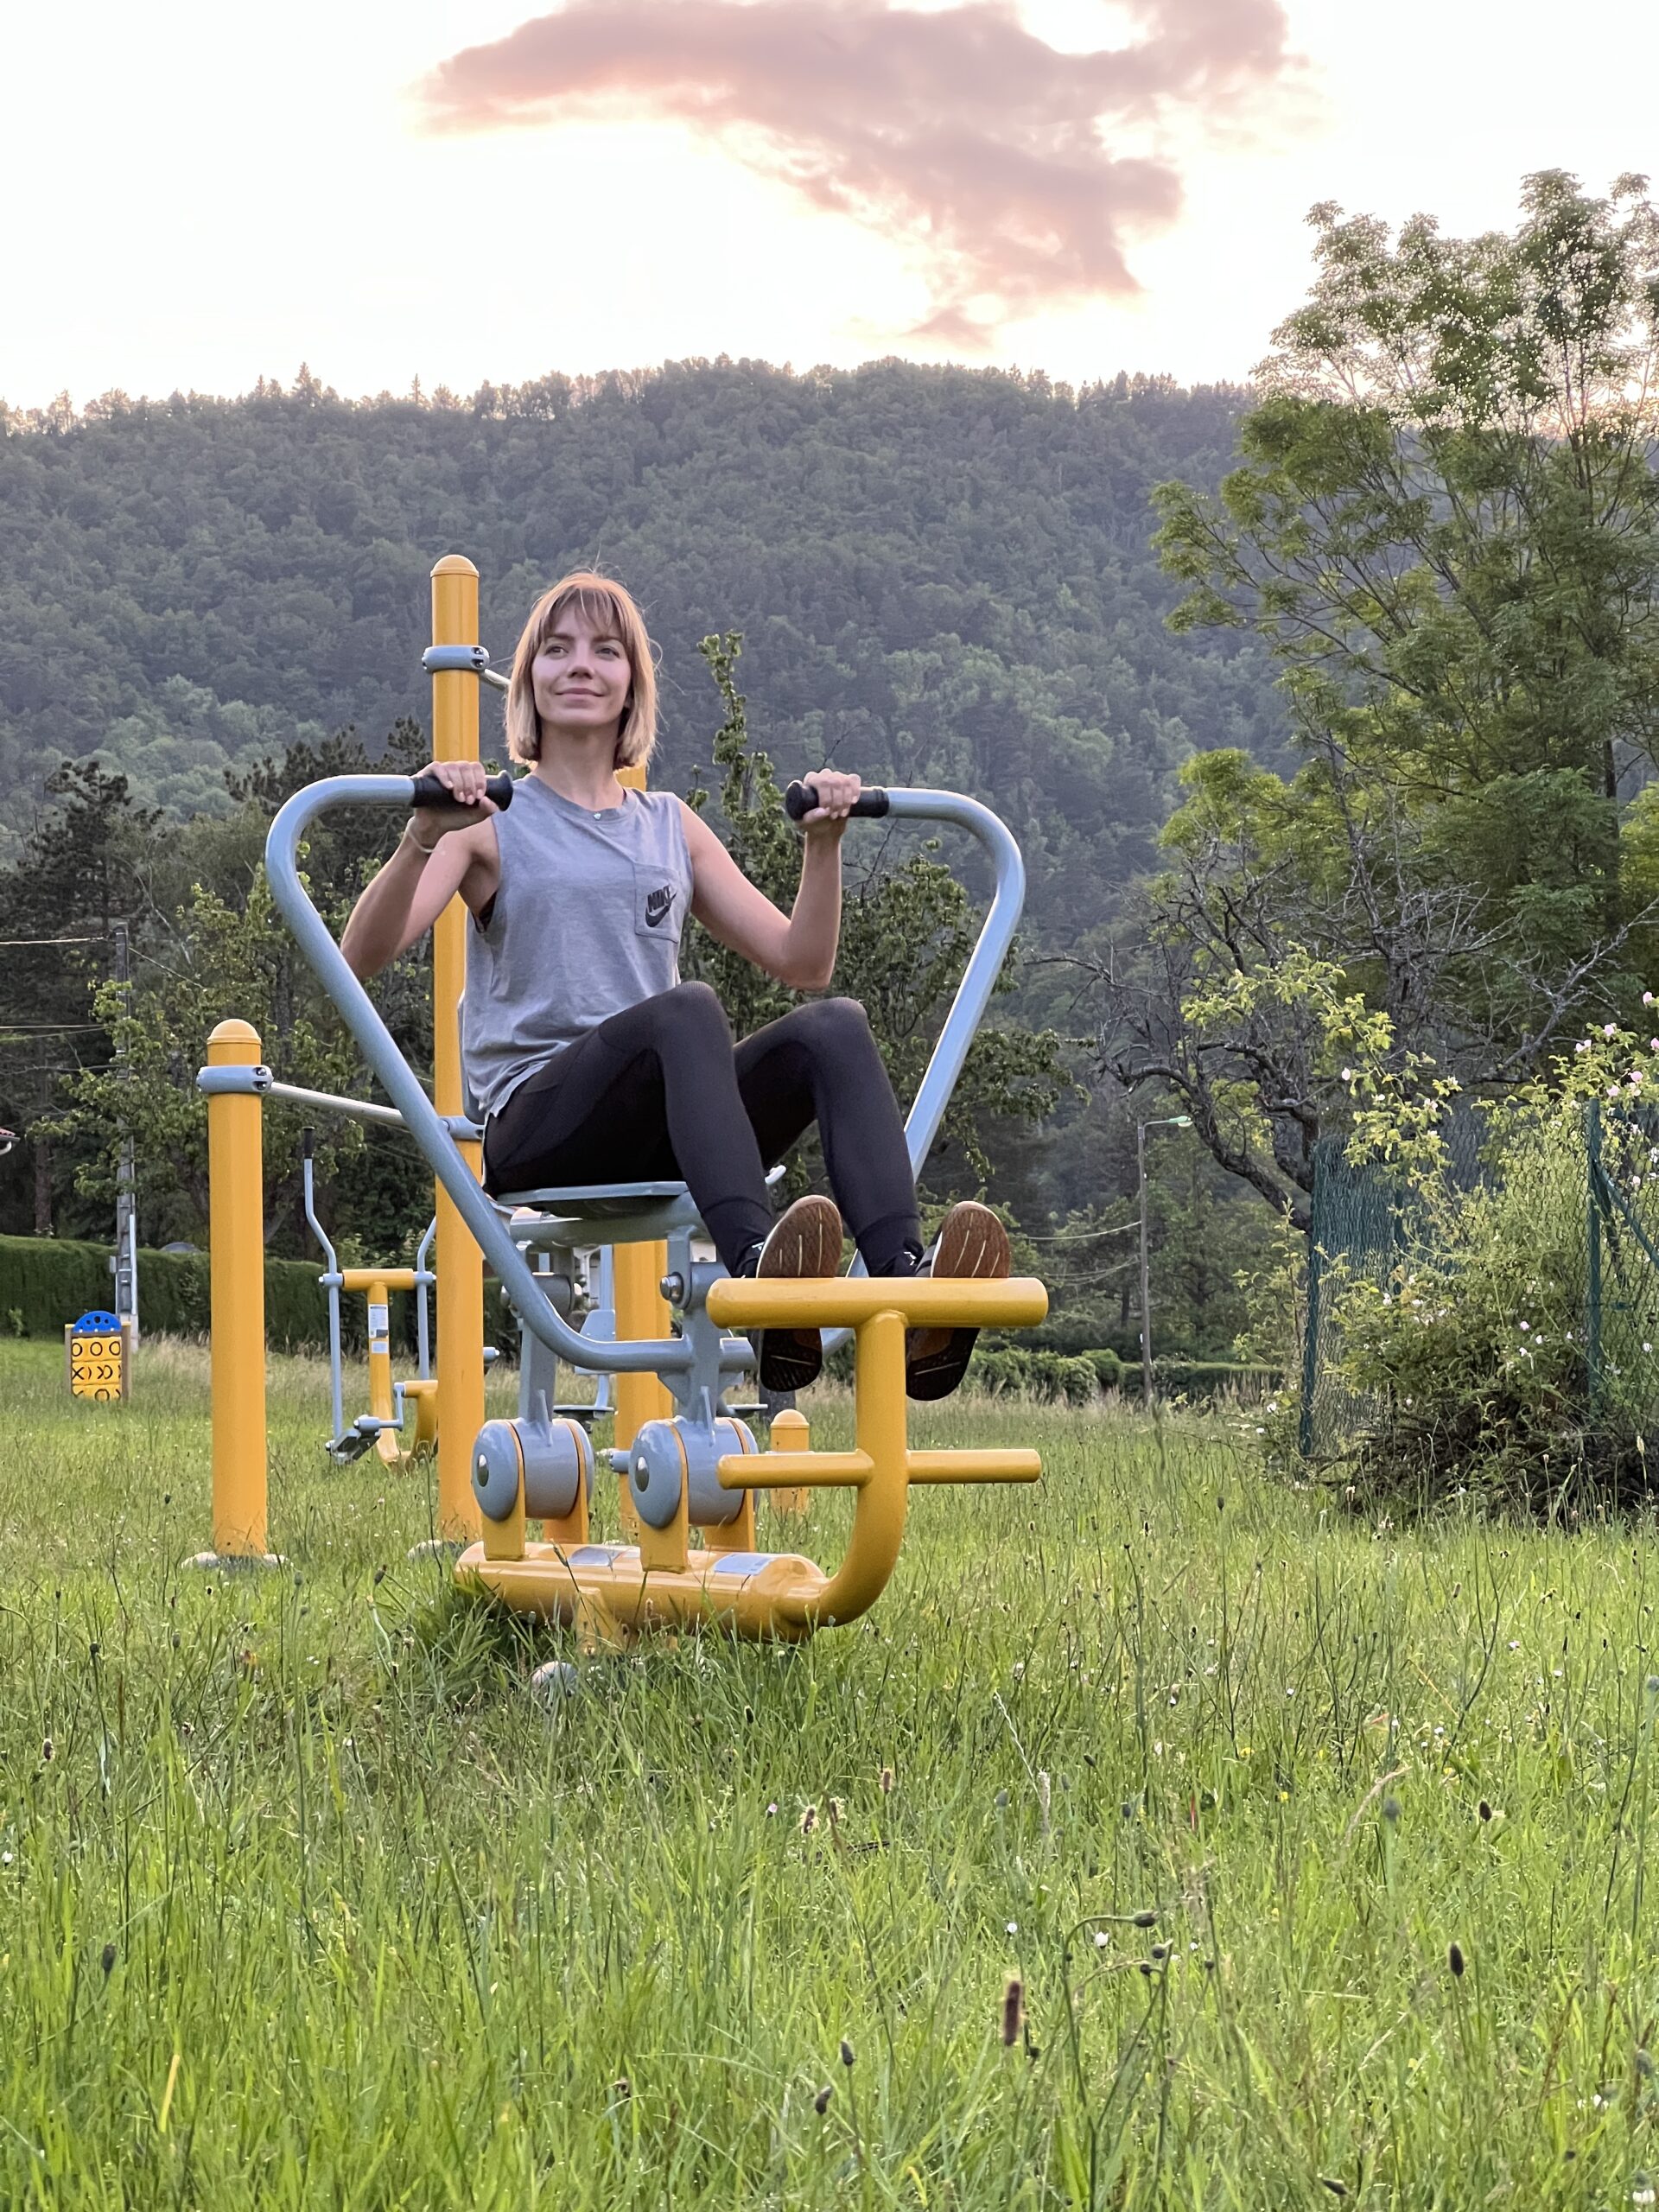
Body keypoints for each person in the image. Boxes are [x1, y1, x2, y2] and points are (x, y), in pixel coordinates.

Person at [341, 570, 1010, 1397]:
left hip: (665, 1122)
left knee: (832, 1025)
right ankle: (759, 1277)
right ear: (529, 683)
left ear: (631, 684)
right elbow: (361, 955)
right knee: (686, 1011)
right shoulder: (490, 821)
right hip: (543, 1124)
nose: (580, 666)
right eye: (557, 650)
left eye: (604, 651)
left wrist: (824, 846)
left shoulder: (669, 825)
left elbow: (803, 962)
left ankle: (906, 1284)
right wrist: (420, 835)